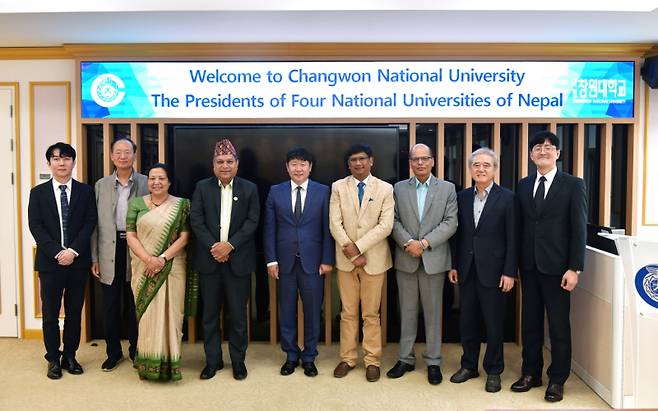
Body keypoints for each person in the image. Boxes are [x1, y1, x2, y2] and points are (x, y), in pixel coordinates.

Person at [511, 131, 587, 402]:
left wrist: (574, 268)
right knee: (530, 323)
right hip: (529, 266)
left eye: (548, 147)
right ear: (531, 155)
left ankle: (557, 379)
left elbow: (579, 229)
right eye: (537, 148)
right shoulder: (523, 185)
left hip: (558, 269)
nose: (543, 151)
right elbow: (520, 227)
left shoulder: (573, 185)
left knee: (558, 327)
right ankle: (531, 373)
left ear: (558, 153)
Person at [448, 148, 518, 393]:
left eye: (486, 165)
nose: (481, 169)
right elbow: (457, 235)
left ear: (495, 169)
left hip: (496, 272)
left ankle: (494, 370)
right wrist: (454, 264)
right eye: (476, 165)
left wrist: (510, 272)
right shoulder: (462, 197)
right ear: (470, 169)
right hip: (467, 269)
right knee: (468, 322)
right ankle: (468, 366)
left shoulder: (508, 198)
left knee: (494, 324)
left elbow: (513, 238)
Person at [190, 139, 260, 381]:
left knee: (238, 317)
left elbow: (252, 221)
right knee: (209, 316)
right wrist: (215, 247)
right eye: (220, 162)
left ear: (237, 164)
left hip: (238, 262)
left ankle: (238, 362)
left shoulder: (250, 189)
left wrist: (229, 246)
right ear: (213, 165)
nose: (225, 166)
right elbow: (196, 220)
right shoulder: (202, 187)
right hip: (209, 262)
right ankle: (213, 361)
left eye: (229, 161)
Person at [388, 143, 457, 385]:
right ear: (410, 163)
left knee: (433, 312)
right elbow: (392, 220)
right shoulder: (398, 188)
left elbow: (451, 222)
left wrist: (424, 243)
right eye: (415, 159)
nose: (420, 163)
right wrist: (409, 243)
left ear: (433, 161)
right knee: (406, 311)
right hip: (406, 257)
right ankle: (405, 358)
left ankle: (433, 361)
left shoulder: (447, 188)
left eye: (424, 158)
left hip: (433, 259)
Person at [28, 142, 97, 379]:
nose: (61, 163)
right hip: (50, 263)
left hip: (78, 262)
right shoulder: (38, 193)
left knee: (74, 312)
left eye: (66, 158)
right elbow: (36, 226)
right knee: (50, 314)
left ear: (73, 162)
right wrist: (58, 252)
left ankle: (70, 355)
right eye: (56, 159)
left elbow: (90, 222)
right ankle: (52, 359)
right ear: (49, 163)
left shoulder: (85, 191)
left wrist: (73, 251)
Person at [263, 147, 334, 377]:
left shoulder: (323, 191)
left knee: (313, 311)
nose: (298, 168)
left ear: (310, 167)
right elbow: (269, 228)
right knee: (286, 310)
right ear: (287, 167)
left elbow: (328, 228)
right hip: (284, 263)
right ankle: (291, 355)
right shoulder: (275, 191)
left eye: (303, 164)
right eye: (294, 164)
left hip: (313, 262)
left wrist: (327, 259)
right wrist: (271, 260)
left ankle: (310, 356)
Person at [329, 143, 394, 382]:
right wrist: (352, 252)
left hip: (374, 260)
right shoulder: (338, 187)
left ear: (371, 161)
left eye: (362, 159)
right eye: (353, 160)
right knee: (347, 312)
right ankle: (347, 358)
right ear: (348, 165)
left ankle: (372, 360)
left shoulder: (385, 188)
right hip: (346, 260)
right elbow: (334, 223)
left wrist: (359, 247)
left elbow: (386, 225)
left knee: (371, 314)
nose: (358, 163)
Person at [125, 163, 190, 381]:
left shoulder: (181, 205)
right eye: (152, 178)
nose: (156, 182)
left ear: (169, 182)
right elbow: (131, 235)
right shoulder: (136, 204)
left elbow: (184, 237)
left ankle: (170, 364)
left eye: (161, 178)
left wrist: (162, 259)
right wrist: (148, 260)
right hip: (144, 268)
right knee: (147, 317)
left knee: (172, 314)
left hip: (172, 266)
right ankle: (147, 363)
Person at [91, 138, 148, 371]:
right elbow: (94, 224)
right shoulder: (101, 185)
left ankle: (136, 350)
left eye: (127, 152)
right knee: (111, 305)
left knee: (135, 303)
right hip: (108, 249)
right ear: (111, 156)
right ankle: (113, 353)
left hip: (137, 248)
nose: (123, 156)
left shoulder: (146, 182)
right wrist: (94, 257)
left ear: (134, 155)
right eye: (118, 152)